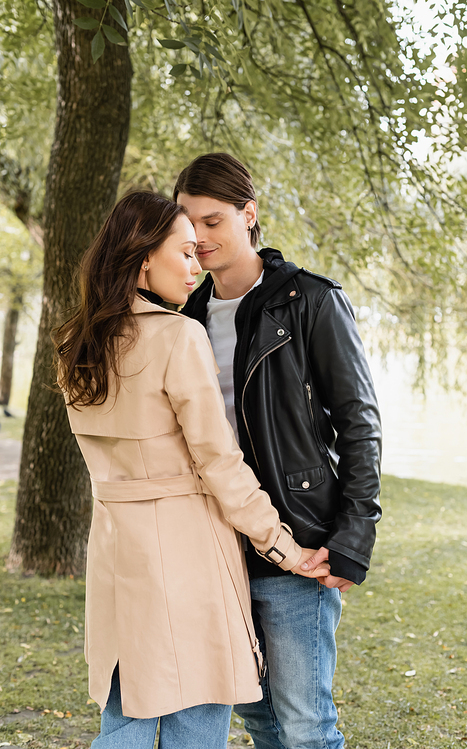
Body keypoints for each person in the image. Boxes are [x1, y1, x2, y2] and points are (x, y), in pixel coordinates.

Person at [53, 191, 329, 749]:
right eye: (182, 253)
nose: (195, 265)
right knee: (196, 721)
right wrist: (283, 546)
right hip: (187, 552)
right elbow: (218, 462)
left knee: (126, 714)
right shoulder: (180, 335)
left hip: (114, 551)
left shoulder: (74, 343)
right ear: (142, 259)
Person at [175, 153, 383, 749]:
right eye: (189, 223)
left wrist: (353, 535)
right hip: (217, 545)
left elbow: (359, 422)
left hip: (299, 540)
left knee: (305, 727)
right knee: (257, 715)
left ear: (249, 215)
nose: (201, 237)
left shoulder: (311, 301)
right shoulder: (183, 315)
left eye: (214, 221)